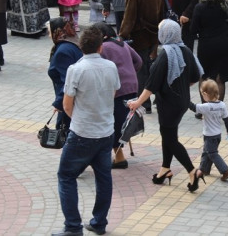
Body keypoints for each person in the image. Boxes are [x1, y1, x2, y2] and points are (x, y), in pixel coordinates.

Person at [53, 26, 121, 236]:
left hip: (82, 132)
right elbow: (113, 92)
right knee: (104, 177)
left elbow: (67, 105)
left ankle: (73, 226)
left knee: (66, 176)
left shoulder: (76, 69)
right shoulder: (110, 66)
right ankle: (99, 222)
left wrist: (81, 119)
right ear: (101, 47)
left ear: (81, 47)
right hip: (106, 131)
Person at [127, 20, 204, 192]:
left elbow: (151, 85)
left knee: (170, 139)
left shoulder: (165, 54)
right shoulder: (186, 50)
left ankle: (192, 171)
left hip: (169, 103)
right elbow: (195, 76)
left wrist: (137, 103)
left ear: (165, 34)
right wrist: (180, 86)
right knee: (168, 134)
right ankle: (165, 169)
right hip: (183, 101)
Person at [92, 22, 142, 169]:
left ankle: (119, 158)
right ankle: (118, 155)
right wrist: (130, 72)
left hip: (117, 89)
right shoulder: (123, 44)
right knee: (122, 121)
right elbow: (138, 61)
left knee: (114, 123)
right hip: (132, 86)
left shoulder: (103, 47)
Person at [118, 0, 165, 113]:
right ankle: (159, 99)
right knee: (153, 67)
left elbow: (129, 18)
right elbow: (163, 9)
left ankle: (144, 104)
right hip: (155, 32)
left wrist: (121, 36)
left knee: (141, 69)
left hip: (140, 36)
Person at [190, 0, 228, 102]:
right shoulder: (225, 6)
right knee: (220, 78)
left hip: (206, 45)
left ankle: (204, 107)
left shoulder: (199, 7)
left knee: (204, 75)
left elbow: (193, 29)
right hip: (224, 44)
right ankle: (218, 107)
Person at [188, 79, 228, 181]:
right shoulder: (222, 105)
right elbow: (226, 119)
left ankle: (225, 170)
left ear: (205, 94)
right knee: (206, 152)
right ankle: (204, 169)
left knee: (212, 153)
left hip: (209, 135)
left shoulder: (206, 106)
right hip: (217, 135)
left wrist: (185, 99)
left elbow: (193, 107)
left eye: (202, 94)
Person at [48, 18, 82, 130]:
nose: (49, 35)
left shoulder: (63, 51)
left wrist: (59, 103)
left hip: (70, 102)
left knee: (66, 132)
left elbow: (67, 81)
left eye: (50, 32)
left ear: (57, 31)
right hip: (77, 100)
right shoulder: (74, 42)